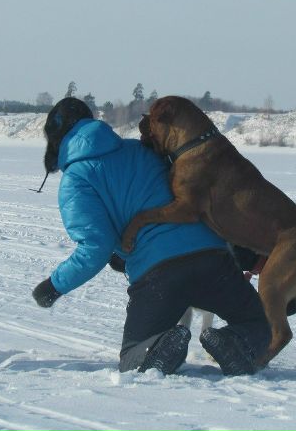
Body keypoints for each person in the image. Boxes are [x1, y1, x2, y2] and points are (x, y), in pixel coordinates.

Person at [31, 97, 270, 375]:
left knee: (133, 354)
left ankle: (158, 347)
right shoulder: (141, 149)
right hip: (213, 258)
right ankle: (235, 343)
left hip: (158, 273)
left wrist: (54, 286)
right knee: (260, 322)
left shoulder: (76, 180)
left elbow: (96, 246)